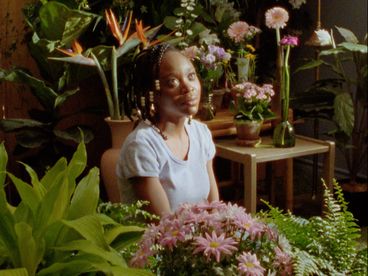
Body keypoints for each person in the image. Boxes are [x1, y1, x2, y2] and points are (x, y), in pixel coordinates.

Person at [116, 43, 219, 216]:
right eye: (173, 82)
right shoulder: (141, 145)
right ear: (152, 93)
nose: (188, 88)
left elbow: (215, 208)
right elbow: (162, 225)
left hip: (202, 239)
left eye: (191, 76)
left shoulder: (201, 134)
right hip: (159, 240)